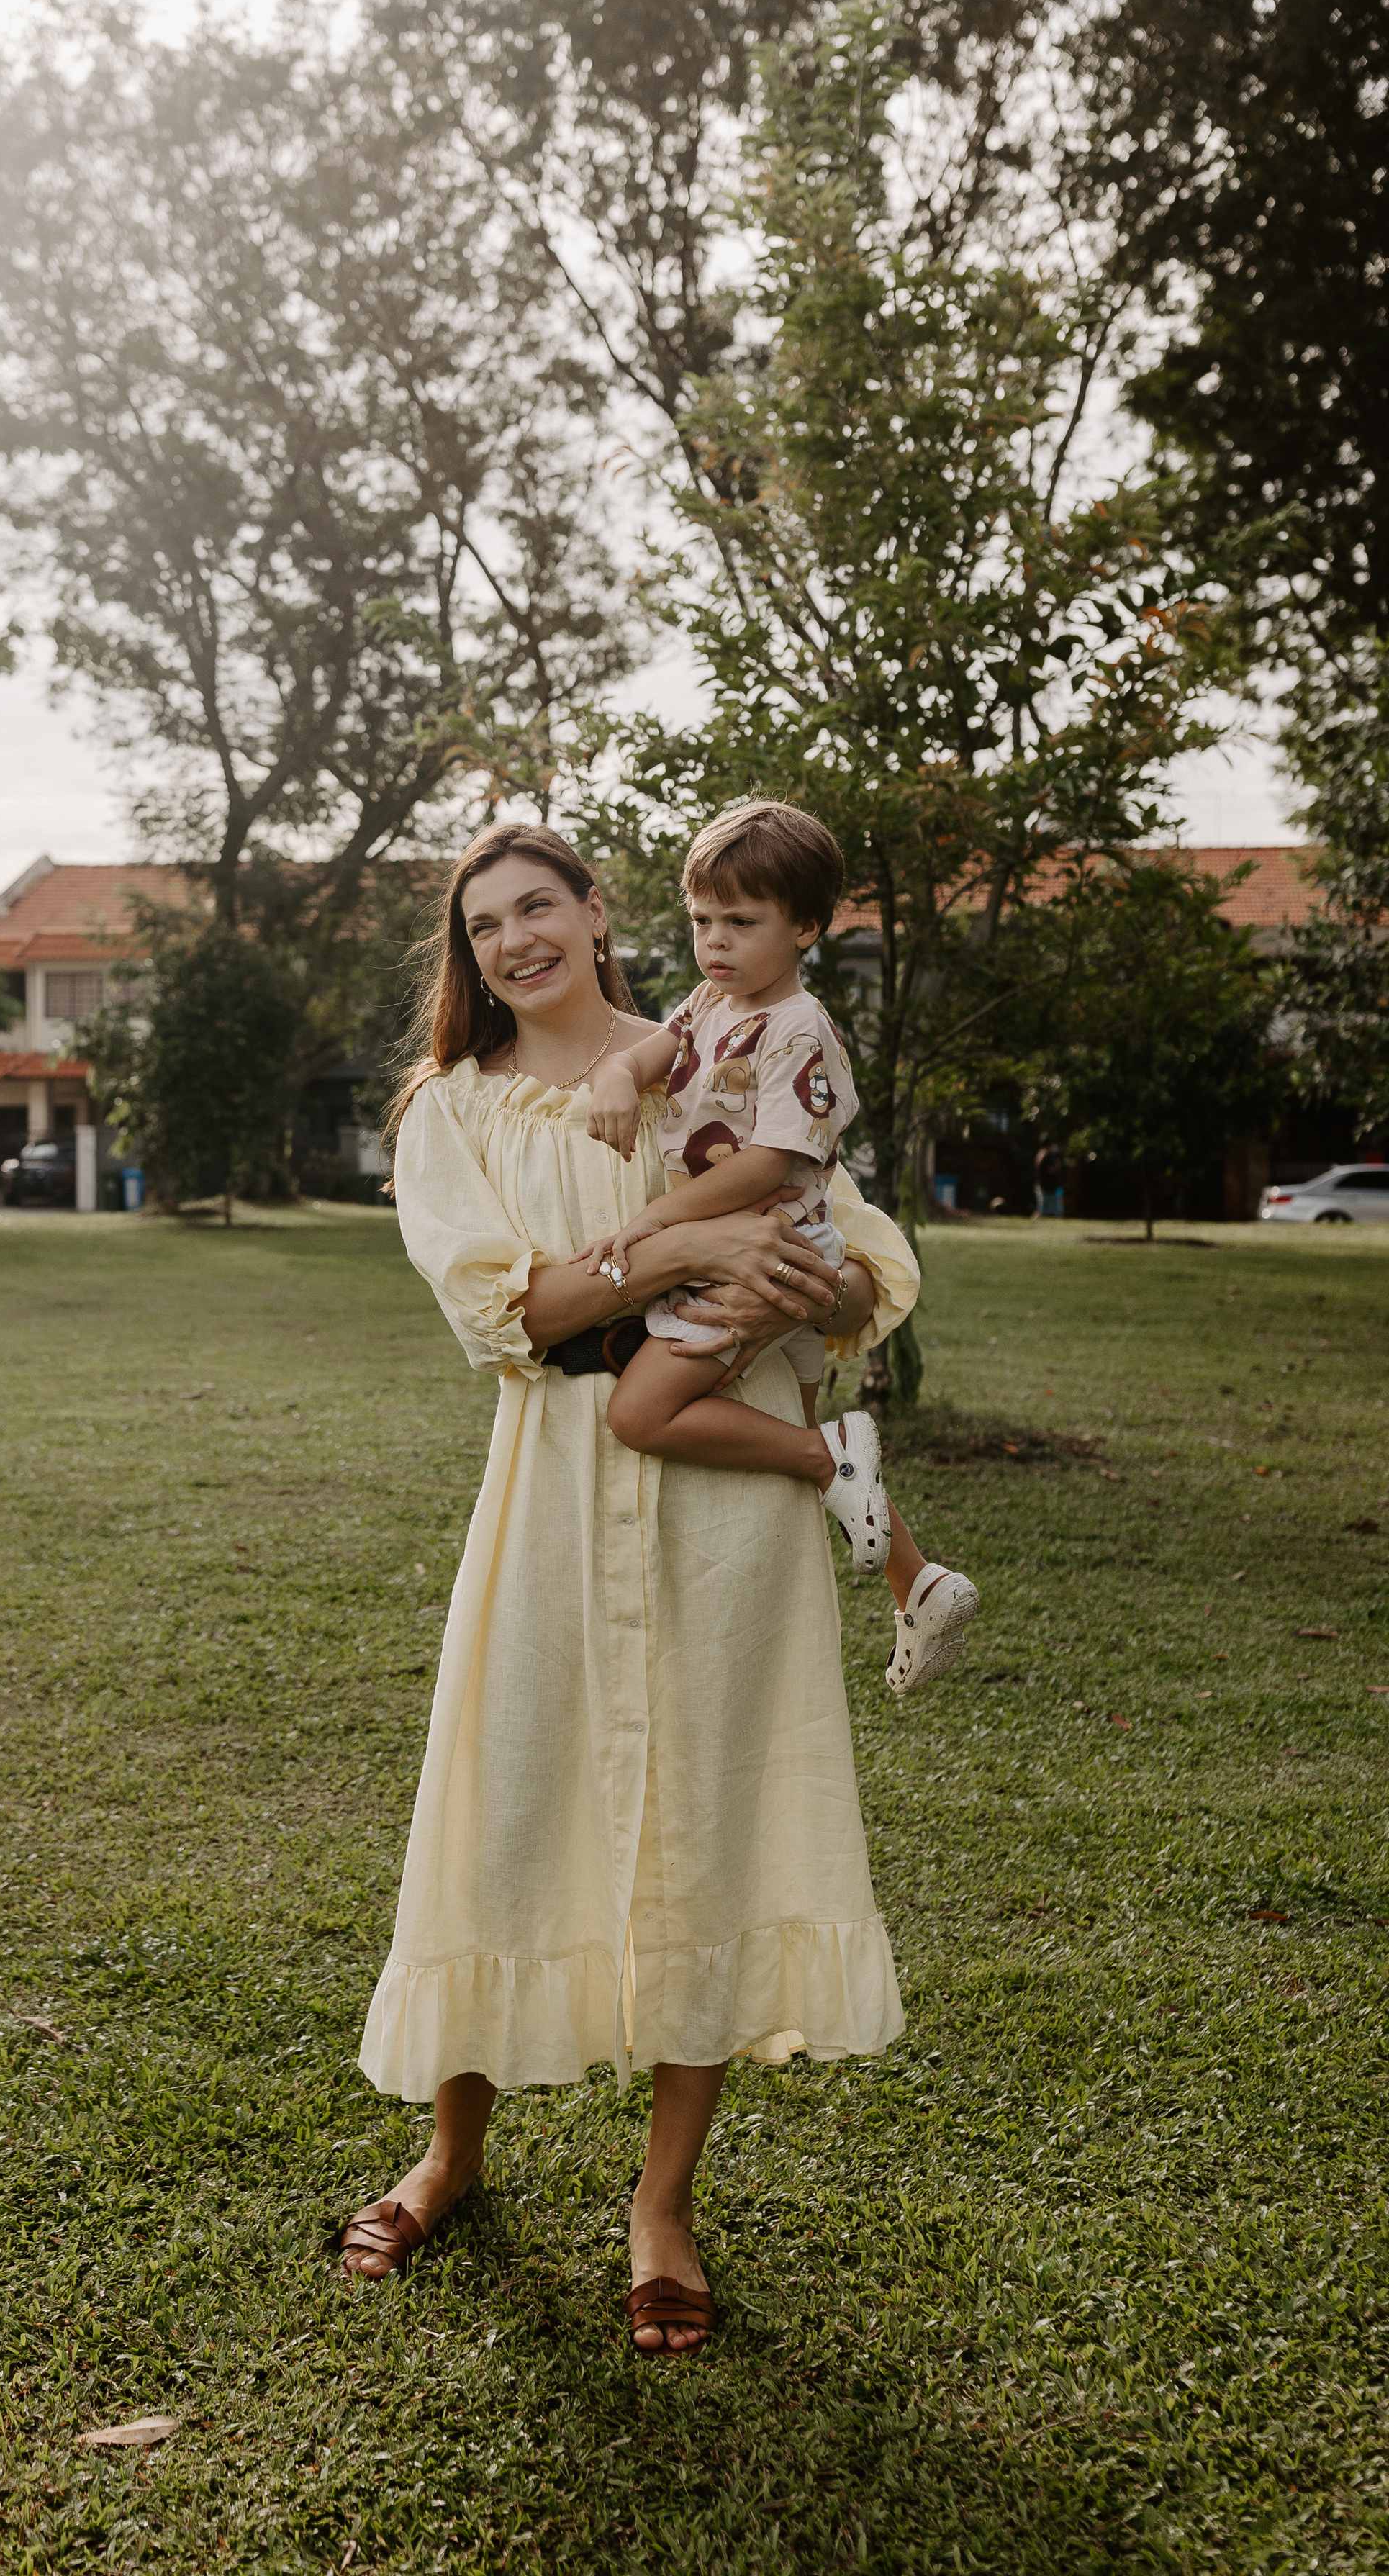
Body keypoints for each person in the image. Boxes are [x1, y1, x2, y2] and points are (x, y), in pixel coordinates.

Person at [342, 823, 918, 2354]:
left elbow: (853, 1256)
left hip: (722, 1501)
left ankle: (660, 2204)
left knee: (704, 1822)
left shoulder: (722, 1057)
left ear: (600, 915)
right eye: (484, 927)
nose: (516, 940)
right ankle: (452, 2155)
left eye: (541, 905)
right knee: (508, 1803)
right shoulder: (448, 1115)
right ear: (468, 962)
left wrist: (820, 1278)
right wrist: (697, 1249)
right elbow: (516, 1312)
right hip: (546, 1485)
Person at [581, 799, 978, 1696]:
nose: (714, 942)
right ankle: (917, 1583)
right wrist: (615, 1069)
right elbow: (657, 1050)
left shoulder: (798, 1026)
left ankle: (833, 1452)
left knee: (641, 1416)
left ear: (805, 926)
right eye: (700, 921)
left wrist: (657, 1223)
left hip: (762, 1252)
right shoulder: (711, 1002)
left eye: (741, 922)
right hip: (763, 1246)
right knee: (802, 1442)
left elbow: (770, 1160)